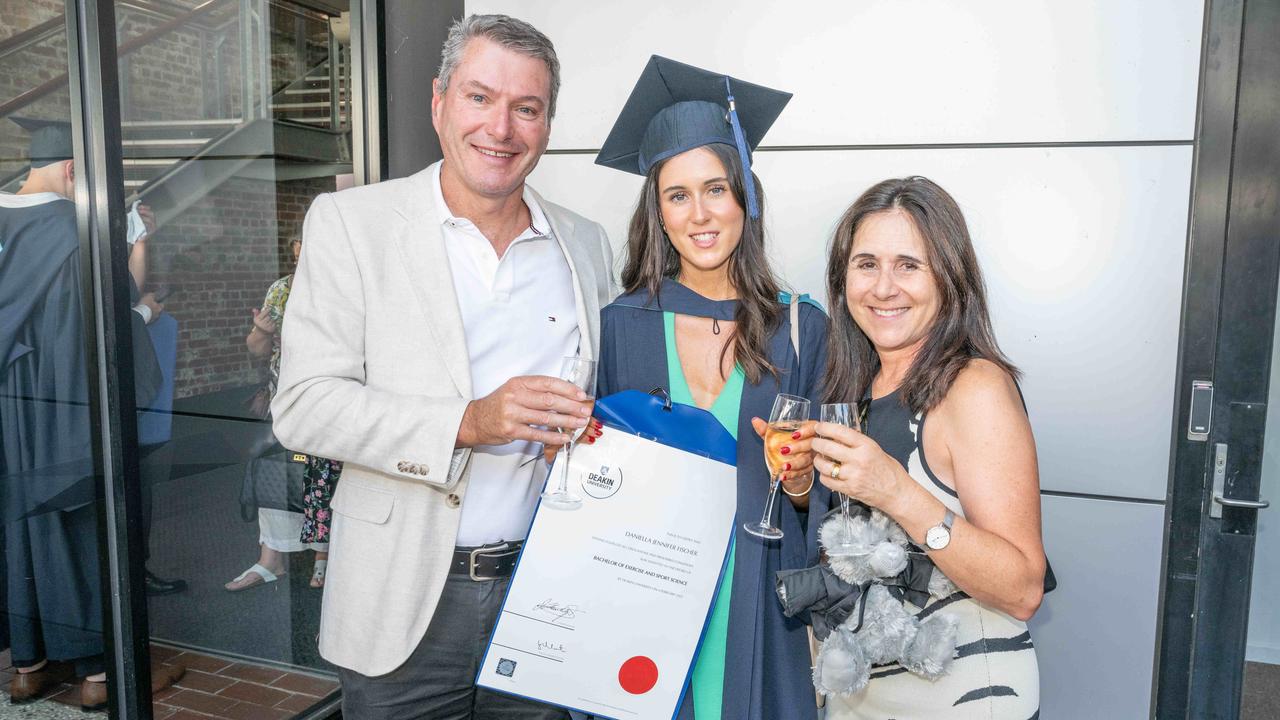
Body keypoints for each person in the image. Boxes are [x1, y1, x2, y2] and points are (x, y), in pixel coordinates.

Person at [270, 14, 614, 719]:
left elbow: (603, 404)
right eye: (480, 97)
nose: (501, 128)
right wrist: (469, 421)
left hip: (542, 591)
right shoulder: (350, 225)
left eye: (527, 108)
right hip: (401, 603)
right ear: (439, 102)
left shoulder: (585, 243)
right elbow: (302, 404)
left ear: (547, 124)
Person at [592, 57, 829, 720]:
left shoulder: (803, 331)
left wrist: (807, 482)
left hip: (758, 600)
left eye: (716, 189)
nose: (700, 213)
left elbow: (834, 505)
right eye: (677, 195)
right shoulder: (622, 327)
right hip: (648, 595)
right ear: (658, 213)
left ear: (745, 199)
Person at [811, 177, 1044, 718]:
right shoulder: (856, 388)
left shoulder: (974, 387)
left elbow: (1022, 588)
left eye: (908, 265)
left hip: (961, 695)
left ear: (949, 278)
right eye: (866, 264)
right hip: (862, 699)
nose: (884, 287)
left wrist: (896, 490)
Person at [0, 117, 183, 709]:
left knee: (20, 526)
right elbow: (110, 322)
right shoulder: (73, 231)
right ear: (75, 170)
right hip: (63, 404)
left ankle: (27, 666)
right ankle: (102, 674)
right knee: (84, 526)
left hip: (9, 411)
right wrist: (145, 295)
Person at [225, 235, 330, 591]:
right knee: (277, 472)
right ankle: (271, 559)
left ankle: (324, 554)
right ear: (296, 247)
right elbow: (255, 348)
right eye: (300, 243)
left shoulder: (342, 281)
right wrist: (261, 330)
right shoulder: (282, 289)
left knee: (323, 476)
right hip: (283, 399)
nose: (303, 251)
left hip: (331, 398)